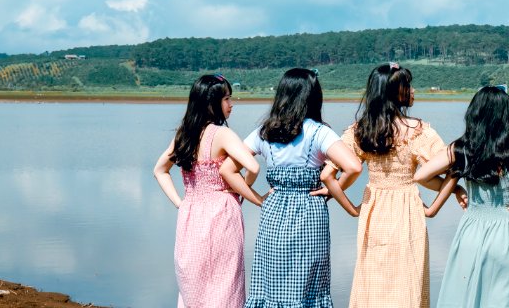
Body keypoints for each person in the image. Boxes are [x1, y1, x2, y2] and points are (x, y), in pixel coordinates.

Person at [414, 85, 509, 308]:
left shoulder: (461, 148)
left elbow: (421, 175)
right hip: (508, 233)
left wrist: (455, 189)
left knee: (465, 299)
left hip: (471, 228)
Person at [326, 62, 452, 308]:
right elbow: (451, 166)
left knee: (372, 283)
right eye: (408, 85)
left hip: (373, 208)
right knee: (408, 283)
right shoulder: (418, 131)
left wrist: (351, 208)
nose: (413, 91)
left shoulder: (360, 131)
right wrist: (440, 203)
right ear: (396, 93)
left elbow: (328, 176)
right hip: (408, 209)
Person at [237, 68, 362, 308]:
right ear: (313, 97)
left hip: (272, 212)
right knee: (308, 288)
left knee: (271, 284)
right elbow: (354, 167)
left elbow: (230, 169)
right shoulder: (319, 132)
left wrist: (257, 198)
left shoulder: (264, 132)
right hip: (310, 213)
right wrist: (331, 190)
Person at [153, 74, 262, 308]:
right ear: (212, 103)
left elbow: (160, 171)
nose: (231, 104)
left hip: (190, 216)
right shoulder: (221, 134)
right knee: (225, 285)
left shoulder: (185, 133)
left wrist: (180, 203)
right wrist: (242, 188)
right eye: (227, 99)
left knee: (194, 284)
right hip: (221, 215)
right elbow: (253, 166)